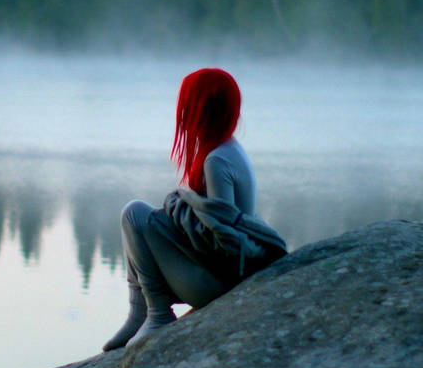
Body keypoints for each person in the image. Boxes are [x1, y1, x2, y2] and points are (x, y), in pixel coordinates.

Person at [102, 68, 287, 351]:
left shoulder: (216, 161)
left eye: (187, 107)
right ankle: (139, 311)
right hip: (218, 276)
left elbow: (221, 241)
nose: (183, 116)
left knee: (135, 214)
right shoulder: (229, 149)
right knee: (140, 216)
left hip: (218, 283)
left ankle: (158, 314)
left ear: (202, 111)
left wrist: (177, 210)